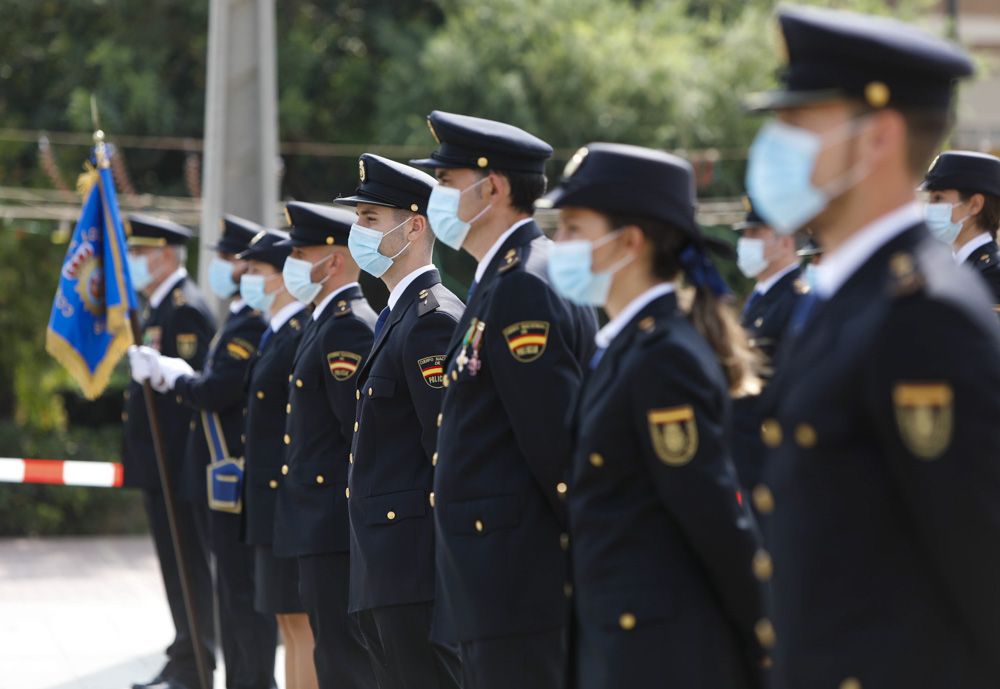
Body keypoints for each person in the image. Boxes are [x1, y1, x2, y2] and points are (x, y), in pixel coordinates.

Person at [744, 6, 1000, 688]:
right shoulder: (843, 295)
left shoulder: (926, 315)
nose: (776, 143)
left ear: (878, 137)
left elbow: (978, 562)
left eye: (799, 123)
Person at [543, 142, 767, 688]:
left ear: (630, 241)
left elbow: (712, 518)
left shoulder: (664, 357)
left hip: (659, 654)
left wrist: (765, 646)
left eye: (573, 228)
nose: (558, 243)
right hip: (619, 644)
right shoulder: (623, 346)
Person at [410, 111, 598, 689]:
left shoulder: (521, 285)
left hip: (515, 581)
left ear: (492, 188)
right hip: (496, 577)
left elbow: (555, 446)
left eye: (445, 182)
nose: (435, 195)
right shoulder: (506, 278)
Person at [335, 153, 465, 688]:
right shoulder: (398, 316)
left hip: (412, 569)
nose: (356, 231)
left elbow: (445, 451)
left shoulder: (432, 320)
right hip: (382, 566)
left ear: (414, 226)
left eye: (369, 219)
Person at [139, 216, 277, 689]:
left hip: (229, 475)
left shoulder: (249, 322)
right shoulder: (240, 317)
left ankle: (249, 679)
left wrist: (177, 376)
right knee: (231, 593)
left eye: (229, 259)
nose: (221, 267)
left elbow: (218, 390)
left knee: (241, 594)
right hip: (213, 475)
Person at [271, 202, 378, 689]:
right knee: (324, 645)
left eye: (299, 252)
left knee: (340, 655)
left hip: (331, 520)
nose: (290, 262)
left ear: (333, 261)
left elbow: (355, 434)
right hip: (313, 518)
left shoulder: (348, 326)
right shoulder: (323, 320)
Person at [123, 214, 216, 689]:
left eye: (139, 253)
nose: (134, 262)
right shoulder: (160, 307)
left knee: (189, 563)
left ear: (163, 255)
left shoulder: (186, 309)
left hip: (179, 464)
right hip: (159, 465)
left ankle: (197, 661)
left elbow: (196, 395)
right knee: (173, 563)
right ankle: (183, 649)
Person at [237, 229, 317, 689]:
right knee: (286, 620)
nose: (247, 279)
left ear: (283, 277)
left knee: (300, 623)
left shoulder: (295, 334)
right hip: (270, 502)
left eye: (256, 271)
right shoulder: (274, 335)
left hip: (288, 501)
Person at [734, 196, 808, 371]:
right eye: (744, 234)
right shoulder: (761, 295)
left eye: (755, 233)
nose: (745, 241)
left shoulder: (796, 299)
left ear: (784, 243)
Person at [920, 150, 1000, 304]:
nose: (929, 208)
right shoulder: (945, 269)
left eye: (938, 198)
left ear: (975, 205)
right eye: (929, 199)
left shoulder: (992, 278)